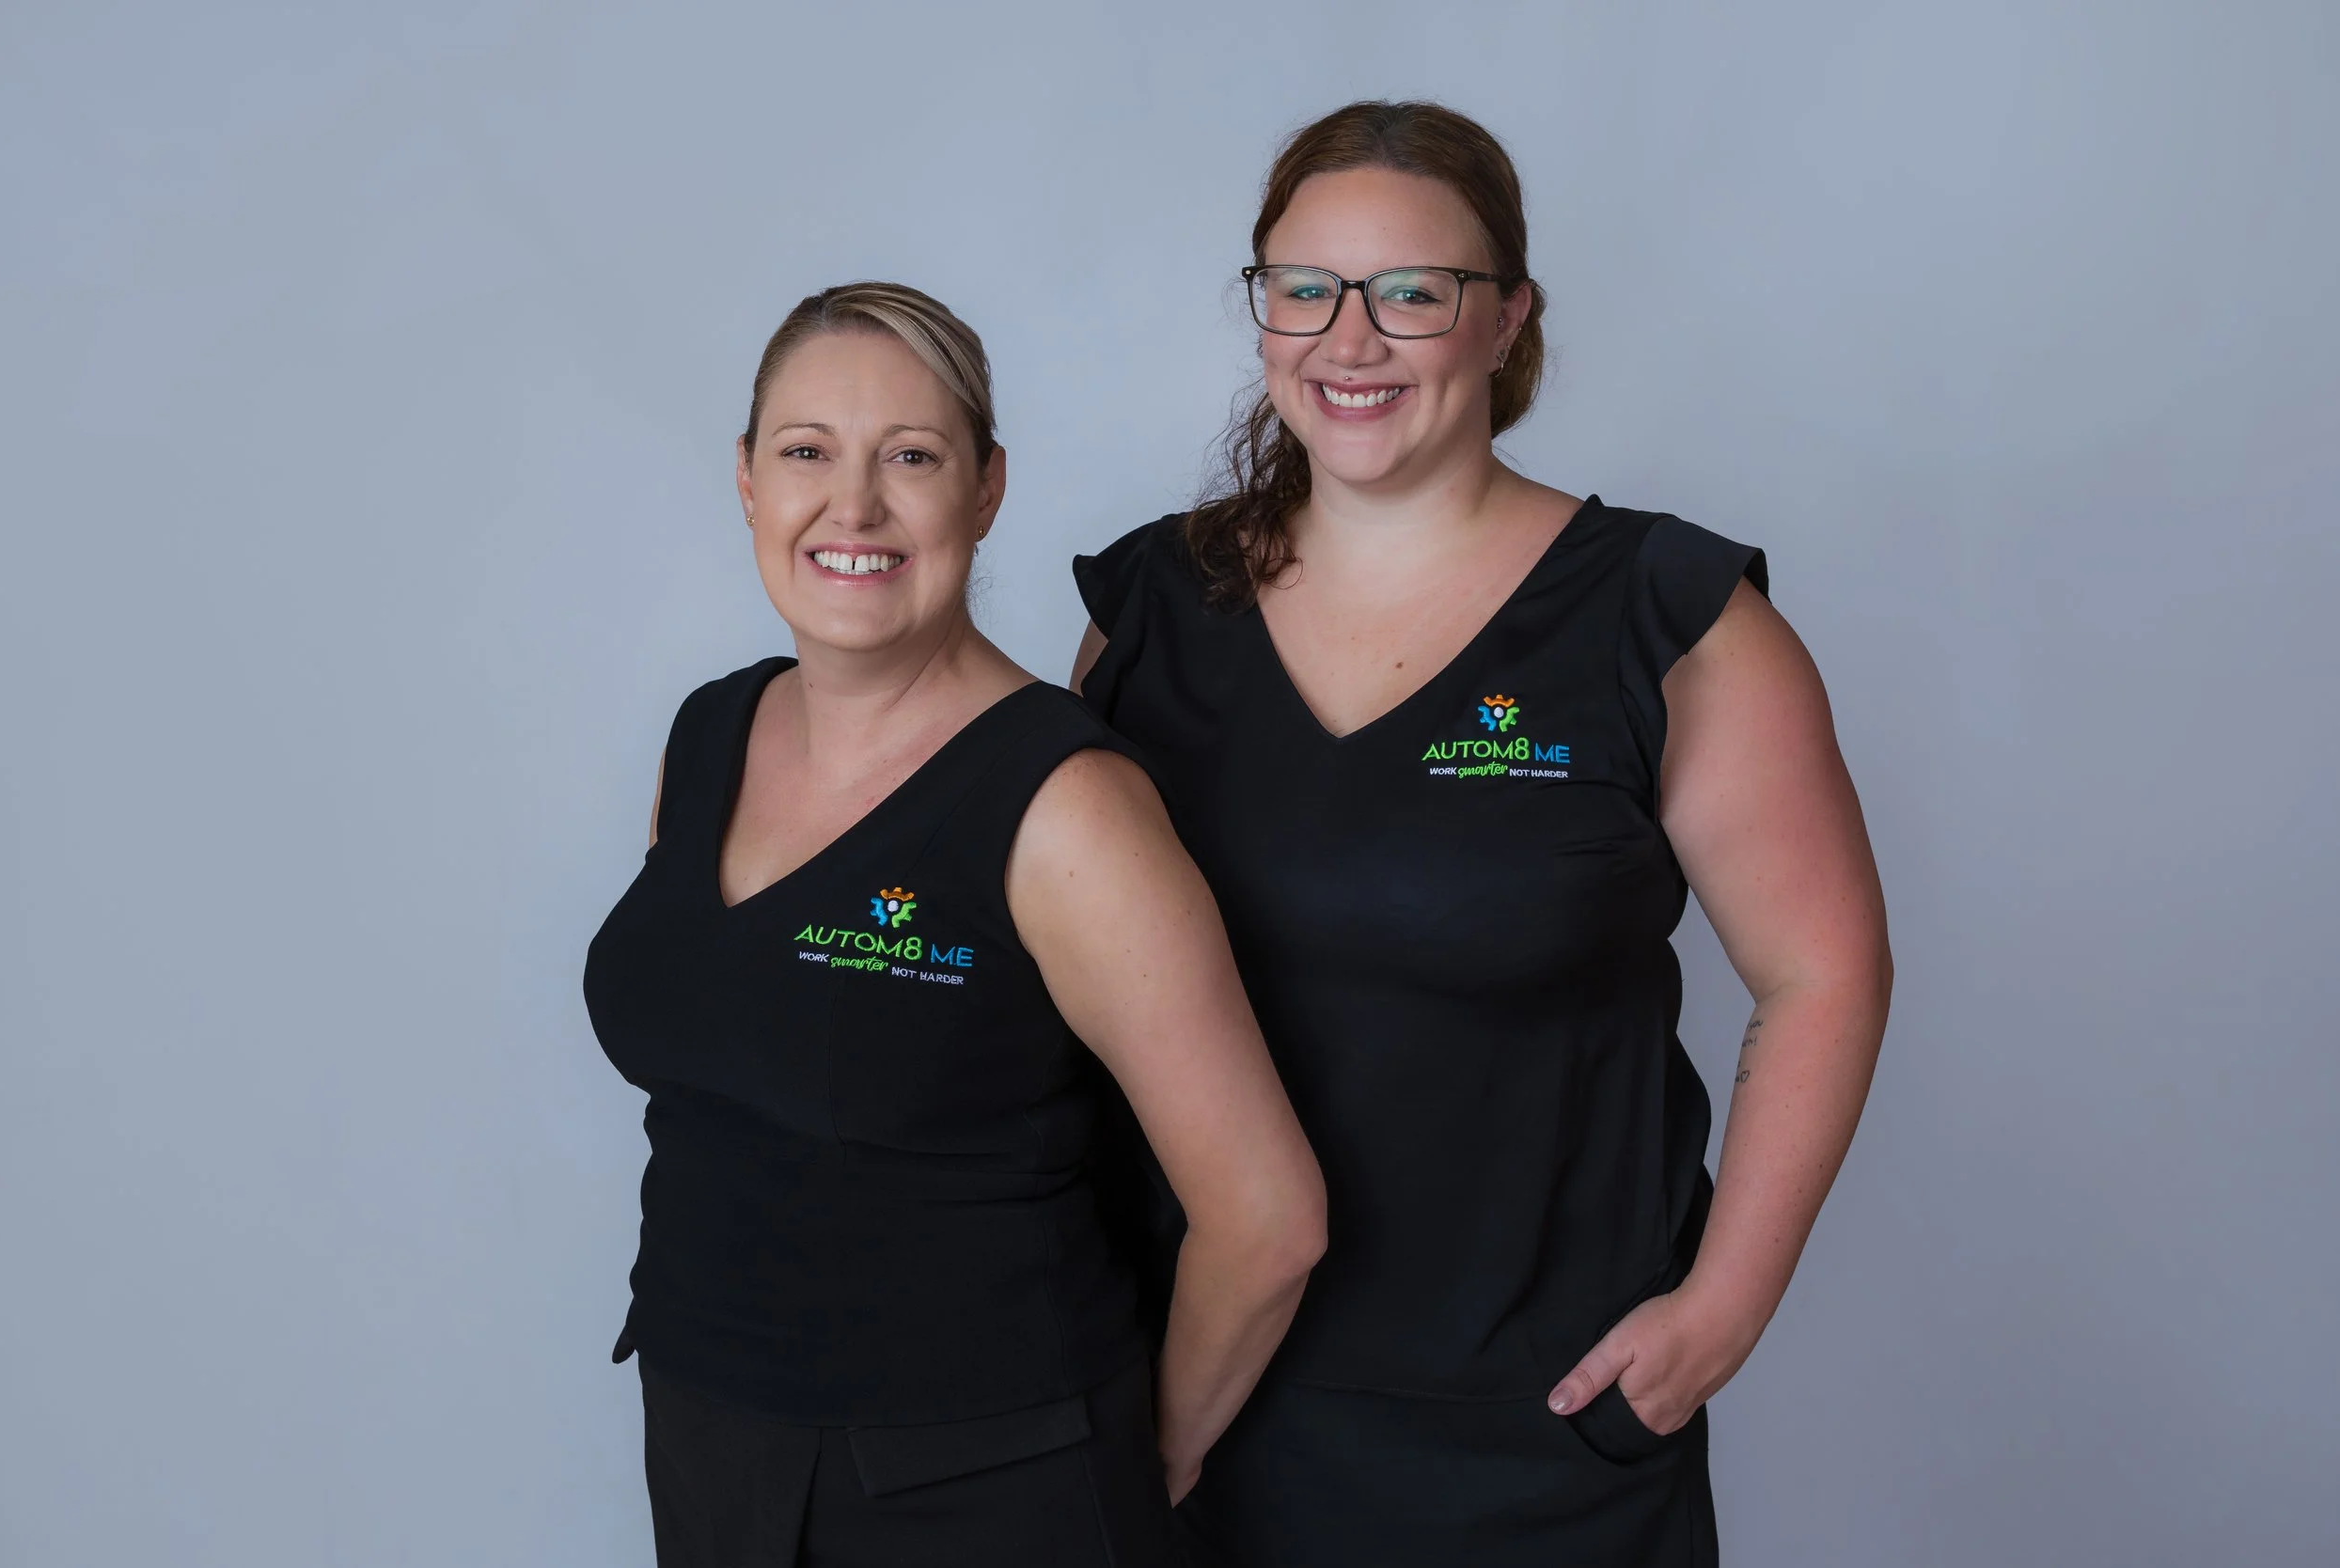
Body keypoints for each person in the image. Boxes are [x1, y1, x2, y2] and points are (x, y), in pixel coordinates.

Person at [1071, 102, 1892, 1566]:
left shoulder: (1669, 622)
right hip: (1191, 1408)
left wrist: (1725, 1307)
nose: (1349, 339)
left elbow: (1824, 972)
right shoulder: (1149, 612)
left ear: (1508, 317)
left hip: (1535, 1445)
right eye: (1305, 288)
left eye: (1412, 292)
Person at [587, 281, 1327, 1567]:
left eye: (912, 458)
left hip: (987, 1485)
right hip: (709, 1438)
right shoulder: (709, 734)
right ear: (748, 481)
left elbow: (1267, 1217)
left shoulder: (1067, 808)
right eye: (806, 452)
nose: (853, 506)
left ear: (986, 491)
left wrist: (1138, 1457)